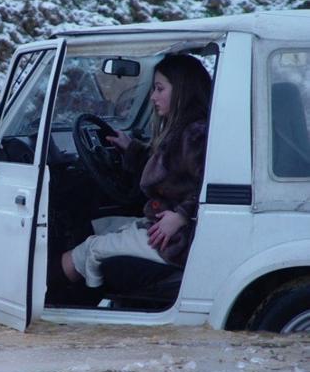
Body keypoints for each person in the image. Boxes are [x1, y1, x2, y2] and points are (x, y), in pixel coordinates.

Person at [61, 54, 212, 288]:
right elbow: (169, 170)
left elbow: (210, 185)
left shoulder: (196, 134)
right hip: (163, 224)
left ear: (183, 90)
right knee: (99, 226)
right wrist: (131, 149)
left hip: (179, 240)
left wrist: (182, 215)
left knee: (88, 248)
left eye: (159, 89)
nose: (153, 96)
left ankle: (51, 302)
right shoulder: (183, 130)